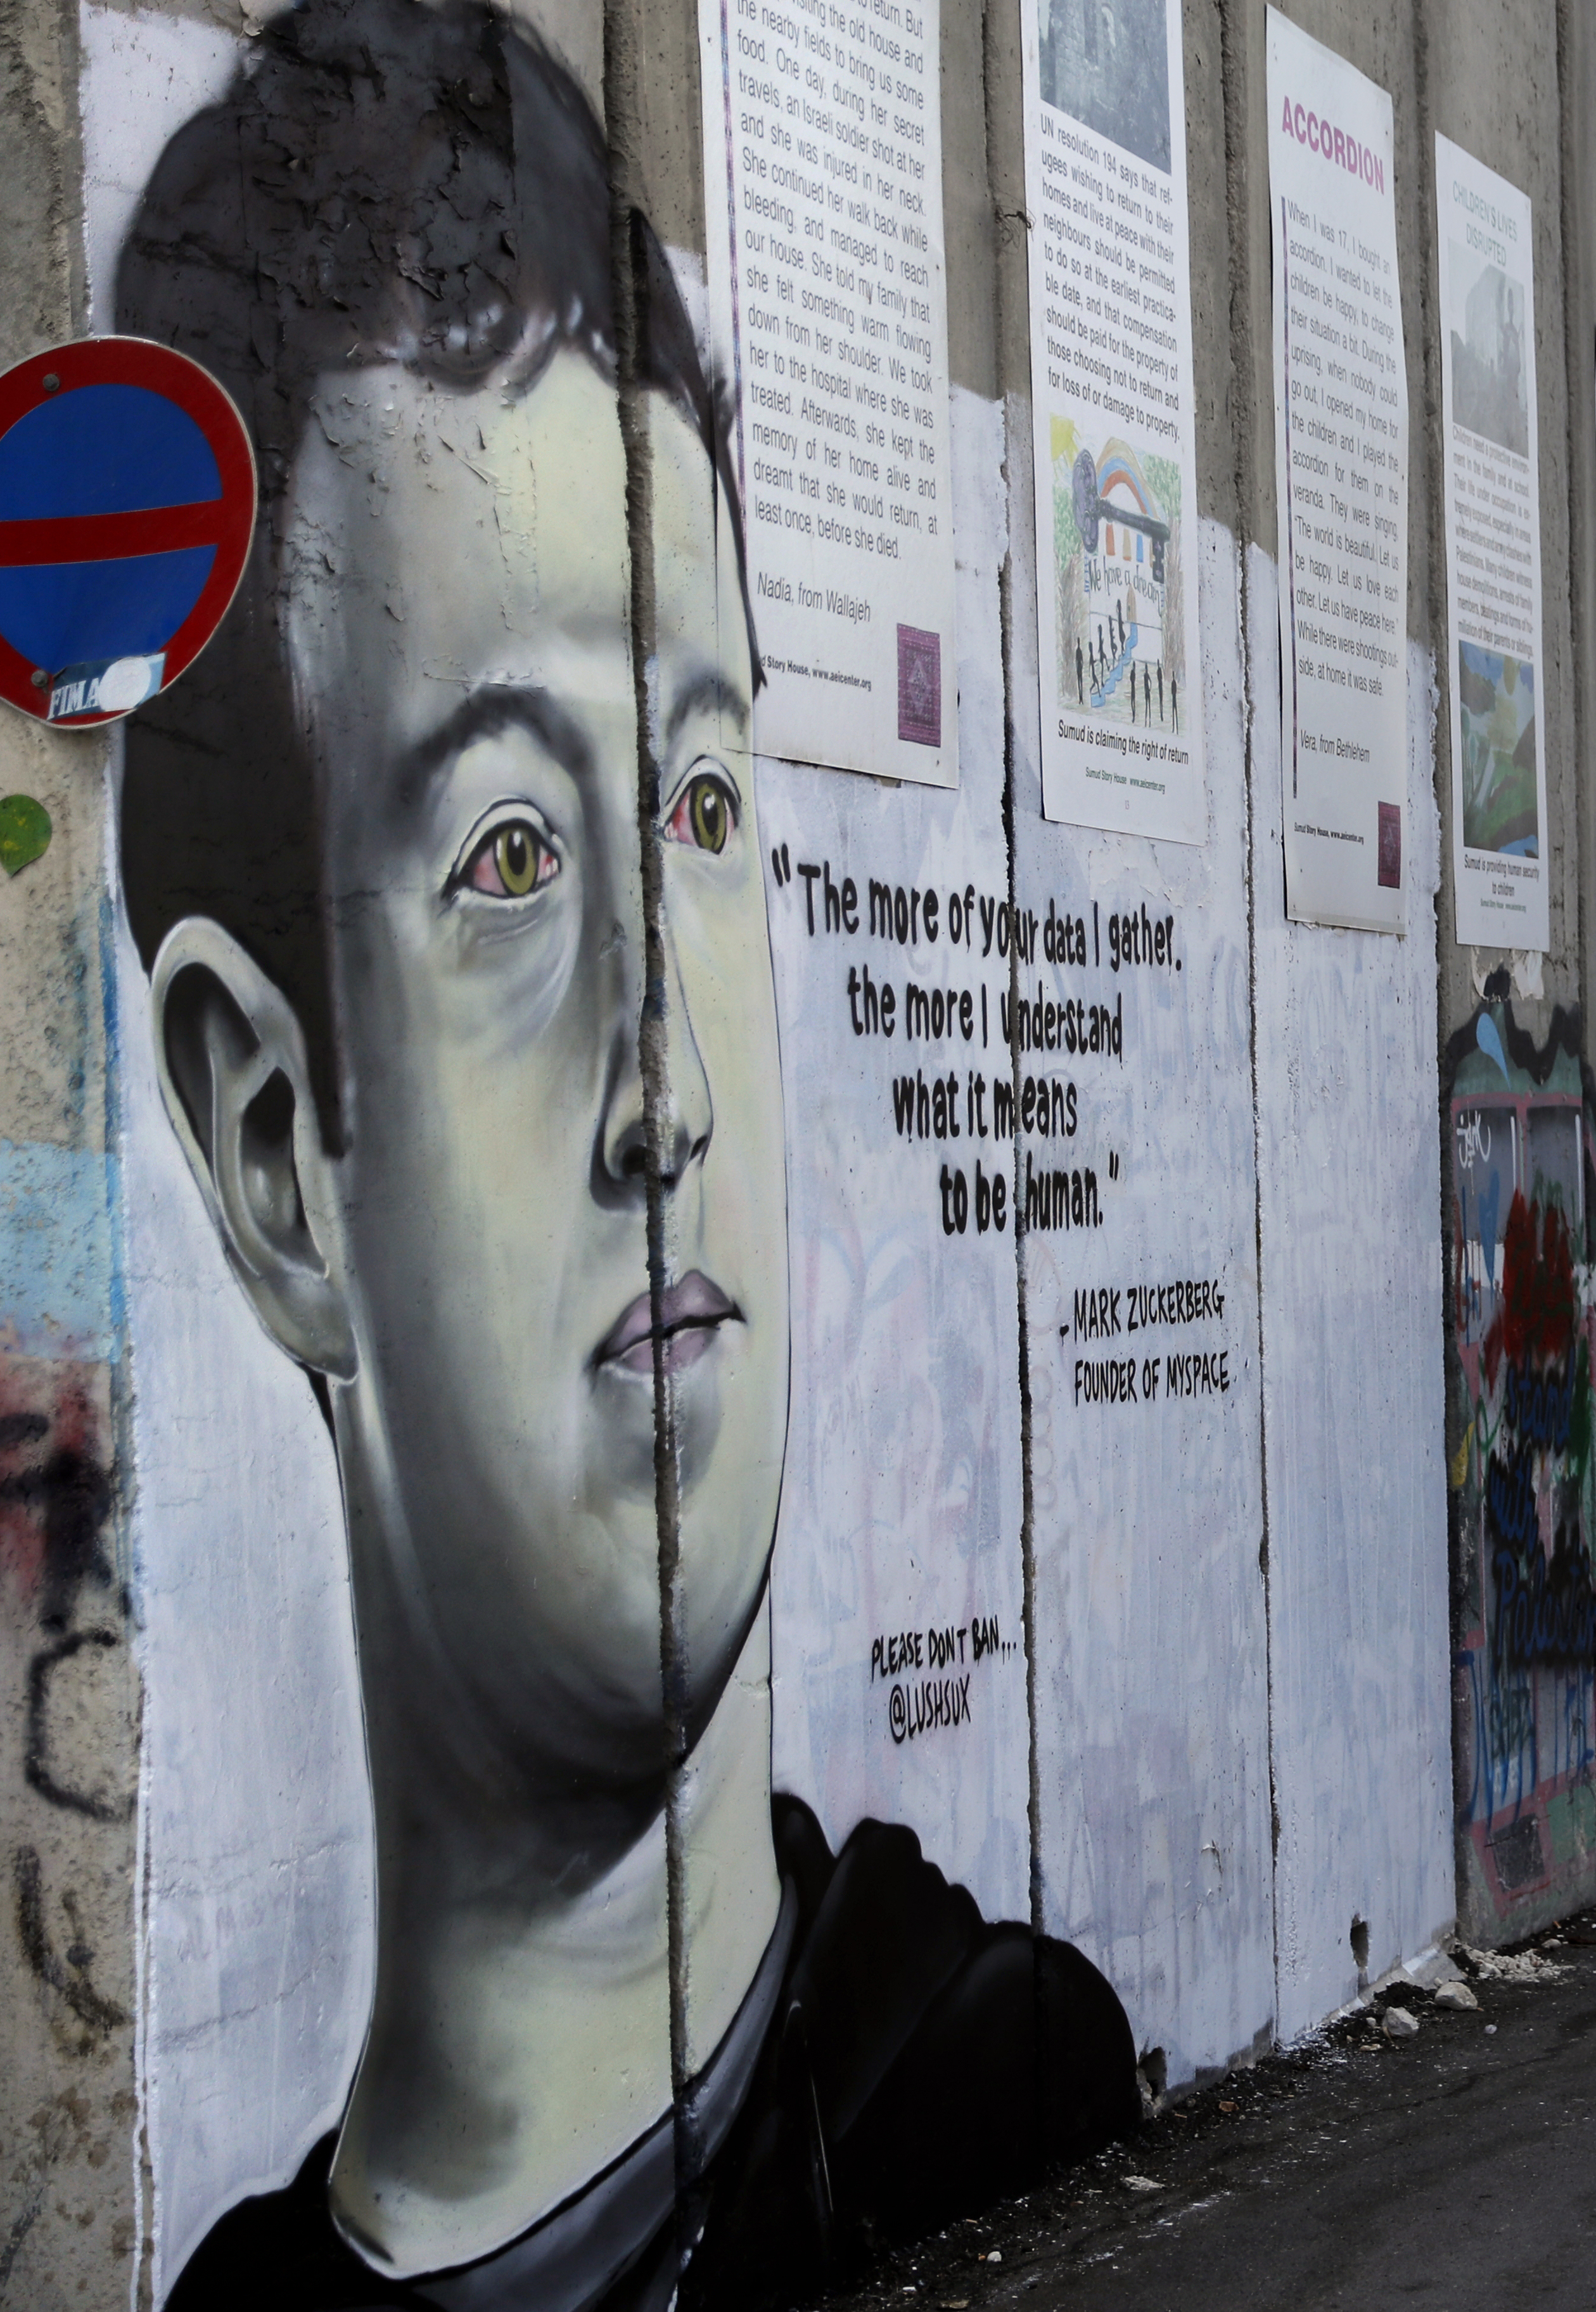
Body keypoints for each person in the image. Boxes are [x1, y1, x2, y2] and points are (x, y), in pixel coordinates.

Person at [118, 6, 1135, 2303]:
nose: (665, 1080)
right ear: (280, 1154)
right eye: (501, 859)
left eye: (695, 806)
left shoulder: (998, 2068)